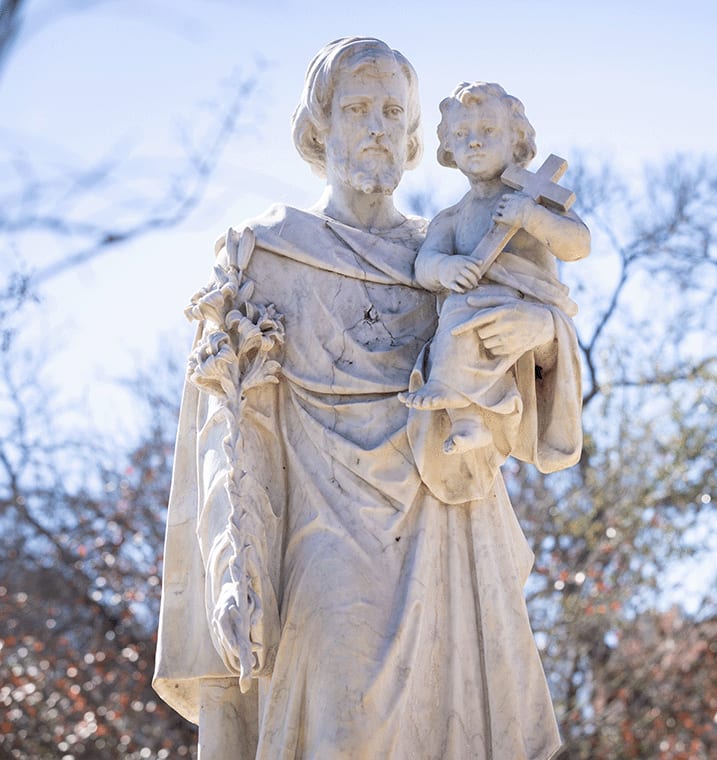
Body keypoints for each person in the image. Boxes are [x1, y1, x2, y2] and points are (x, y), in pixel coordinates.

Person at [153, 37, 581, 760]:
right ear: (318, 126)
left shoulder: (445, 255)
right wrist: (231, 565)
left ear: (417, 131)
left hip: (447, 530)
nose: (378, 125)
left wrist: (542, 330)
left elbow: (522, 372)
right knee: (339, 726)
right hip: (320, 535)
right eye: (357, 108)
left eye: (392, 110)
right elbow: (226, 429)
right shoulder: (268, 251)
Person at [399, 82, 588, 459]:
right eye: (462, 134)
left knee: (464, 324)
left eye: (488, 131)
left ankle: (491, 415)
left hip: (526, 303)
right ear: (448, 147)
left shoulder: (538, 197)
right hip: (472, 304)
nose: (474, 142)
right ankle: (468, 421)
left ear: (516, 141)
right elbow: (425, 266)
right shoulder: (451, 218)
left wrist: (533, 217)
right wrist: (446, 267)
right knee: (455, 326)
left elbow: (578, 244)